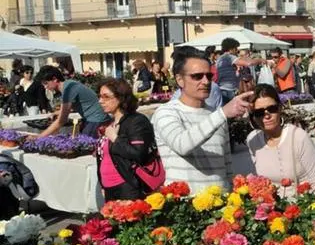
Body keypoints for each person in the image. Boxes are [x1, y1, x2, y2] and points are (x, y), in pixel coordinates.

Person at [152, 47, 253, 192]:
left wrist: (231, 195)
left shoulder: (216, 116)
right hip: (184, 207)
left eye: (209, 76)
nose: (206, 81)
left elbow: (227, 164)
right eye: (197, 76)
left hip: (221, 206)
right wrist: (222, 113)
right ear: (179, 79)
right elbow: (182, 144)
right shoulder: (167, 112)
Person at [246, 84, 315, 194]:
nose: (267, 116)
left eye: (272, 109)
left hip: (302, 205)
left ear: (280, 108)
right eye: (259, 112)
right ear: (253, 116)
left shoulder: (298, 137)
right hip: (267, 207)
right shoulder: (252, 140)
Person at [96, 78, 159, 201]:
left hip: (128, 186)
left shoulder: (136, 121)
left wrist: (115, 138)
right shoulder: (111, 123)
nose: (100, 101)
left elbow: (138, 154)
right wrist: (102, 184)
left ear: (120, 97)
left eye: (105, 97)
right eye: (99, 96)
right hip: (109, 188)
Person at [35, 66, 109, 138]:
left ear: (54, 79)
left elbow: (61, 121)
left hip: (96, 120)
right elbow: (69, 108)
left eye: (46, 83)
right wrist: (55, 113)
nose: (45, 87)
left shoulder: (68, 90)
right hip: (96, 119)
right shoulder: (69, 84)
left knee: (86, 147)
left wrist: (39, 136)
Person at [216, 38, 260, 103]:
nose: (237, 51)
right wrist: (261, 60)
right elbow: (249, 63)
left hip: (222, 88)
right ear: (231, 49)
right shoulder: (230, 57)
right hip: (228, 90)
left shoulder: (220, 58)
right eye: (236, 48)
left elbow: (228, 73)